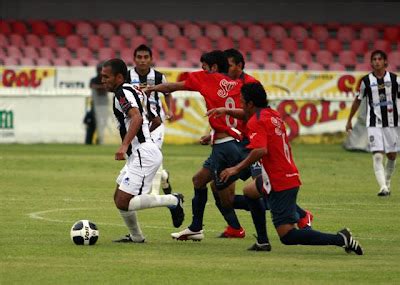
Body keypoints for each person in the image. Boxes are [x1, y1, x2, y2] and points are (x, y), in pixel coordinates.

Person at [209, 82, 363, 254]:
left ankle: (340, 239)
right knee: (250, 192)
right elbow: (247, 116)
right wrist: (226, 110)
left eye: (242, 102)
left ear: (251, 104)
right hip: (283, 173)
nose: (241, 105)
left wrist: (236, 169)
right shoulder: (270, 114)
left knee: (287, 236)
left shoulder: (256, 121)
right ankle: (262, 242)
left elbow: (260, 150)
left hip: (279, 180)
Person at [145, 50, 254, 241]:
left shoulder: (206, 78)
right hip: (238, 143)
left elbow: (173, 86)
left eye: (204, 66)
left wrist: (152, 89)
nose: (201, 69)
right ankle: (216, 228)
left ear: (213, 67)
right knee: (203, 182)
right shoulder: (239, 84)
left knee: (221, 191)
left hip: (225, 147)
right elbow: (245, 114)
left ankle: (292, 213)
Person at [100, 58, 184, 243]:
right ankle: (137, 237)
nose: (103, 80)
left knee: (124, 201)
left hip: (142, 154)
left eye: (106, 77)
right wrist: (142, 139)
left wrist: (125, 145)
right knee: (118, 198)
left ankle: (173, 200)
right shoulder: (135, 91)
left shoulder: (122, 92)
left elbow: (136, 118)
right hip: (140, 152)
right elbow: (154, 120)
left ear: (119, 77)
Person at [346, 50, 399, 197]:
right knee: (377, 155)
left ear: (385, 62)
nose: (377, 61)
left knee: (392, 156)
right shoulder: (366, 81)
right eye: (374, 59)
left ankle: (387, 182)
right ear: (371, 62)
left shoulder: (395, 80)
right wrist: (349, 120)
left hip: (392, 123)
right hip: (374, 123)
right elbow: (358, 100)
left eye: (379, 59)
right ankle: (382, 187)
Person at [127, 44, 174, 196]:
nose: (142, 60)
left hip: (156, 122)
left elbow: (167, 93)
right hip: (136, 123)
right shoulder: (127, 76)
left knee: (154, 153)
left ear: (151, 59)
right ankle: (163, 176)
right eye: (139, 57)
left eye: (145, 57)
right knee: (138, 155)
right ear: (134, 59)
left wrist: (170, 109)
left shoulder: (159, 77)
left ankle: (153, 193)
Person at [89, 62, 109, 145]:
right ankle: (91, 140)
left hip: (104, 104)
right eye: (98, 69)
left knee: (103, 122)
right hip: (95, 105)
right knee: (94, 123)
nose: (99, 71)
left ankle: (99, 137)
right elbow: (92, 86)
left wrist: (99, 88)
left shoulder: (106, 79)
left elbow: (106, 87)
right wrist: (102, 88)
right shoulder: (94, 79)